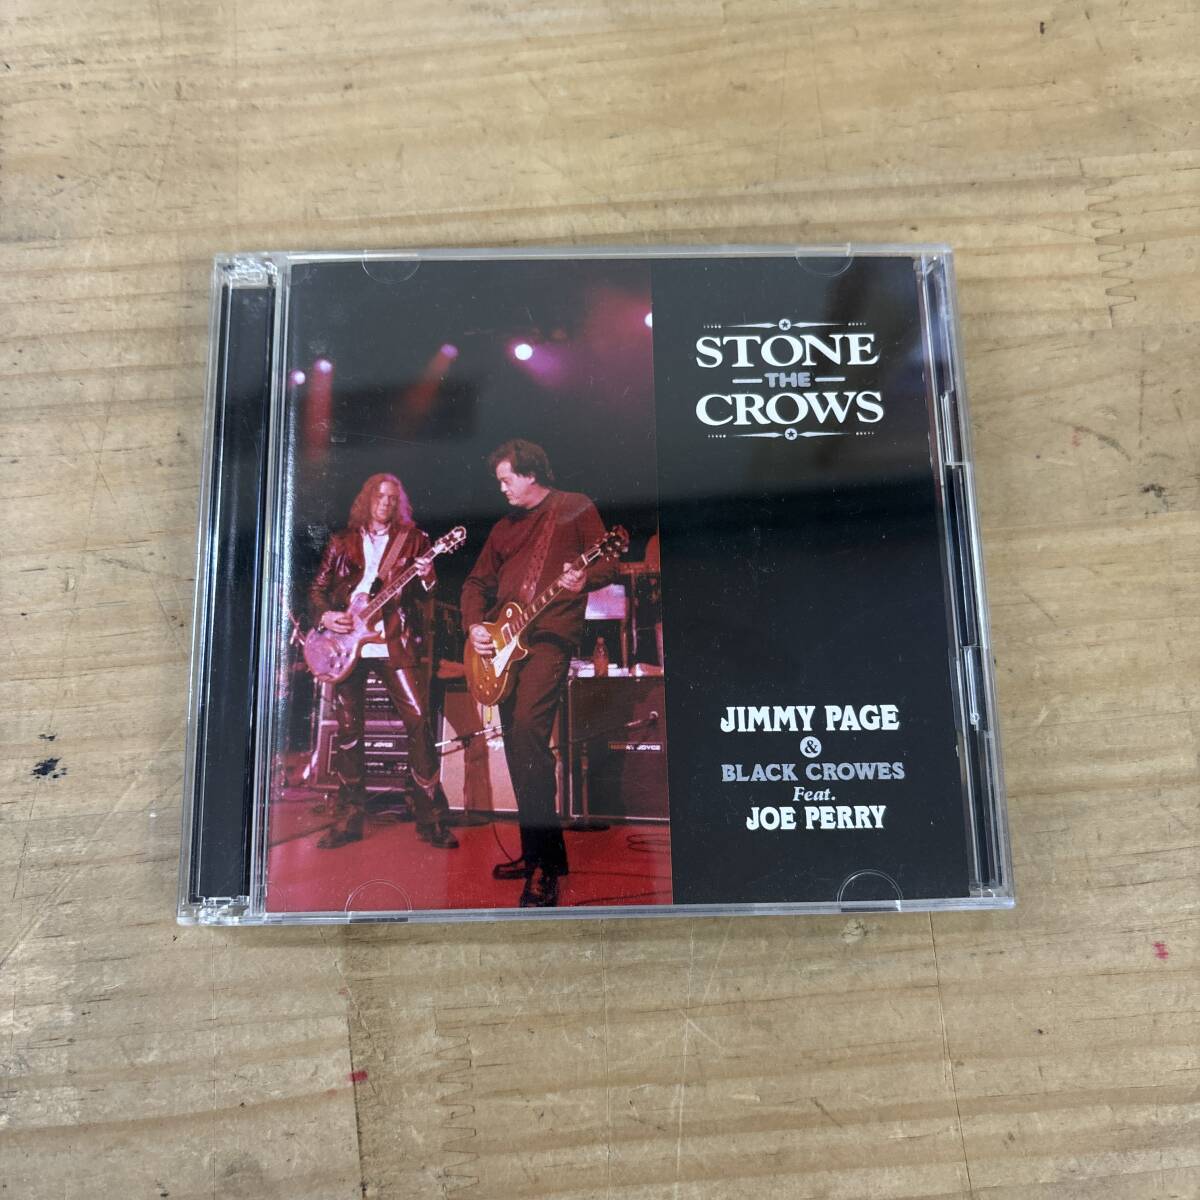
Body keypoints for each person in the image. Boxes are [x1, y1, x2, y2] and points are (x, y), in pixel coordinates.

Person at [462, 439, 616, 907]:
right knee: (517, 743)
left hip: (550, 637)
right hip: (504, 646)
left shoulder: (573, 507)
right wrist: (475, 626)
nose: (502, 489)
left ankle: (546, 864)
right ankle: (539, 854)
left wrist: (586, 577)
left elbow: (607, 560)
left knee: (529, 730)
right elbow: (475, 583)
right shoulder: (503, 528)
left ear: (530, 474)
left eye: (507, 479)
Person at [309, 473, 458, 850]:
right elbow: (318, 589)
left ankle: (431, 818)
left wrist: (427, 575)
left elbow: (427, 592)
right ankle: (349, 819)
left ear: (399, 503)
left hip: (393, 642)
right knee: (349, 731)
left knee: (418, 721)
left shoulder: (415, 540)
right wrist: (327, 617)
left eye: (393, 497)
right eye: (380, 495)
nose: (386, 502)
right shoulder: (342, 541)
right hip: (346, 644)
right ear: (368, 499)